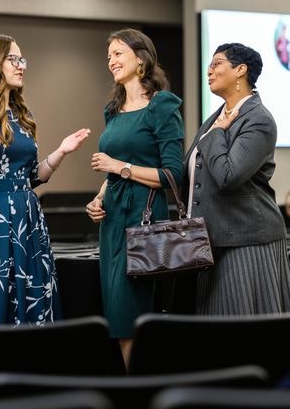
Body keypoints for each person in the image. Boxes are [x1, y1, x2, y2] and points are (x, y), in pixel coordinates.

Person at [0, 34, 91, 327]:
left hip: (26, 219)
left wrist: (61, 151)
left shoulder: (22, 115)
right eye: (14, 59)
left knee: (29, 299)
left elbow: (33, 176)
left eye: (22, 59)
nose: (22, 66)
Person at [84, 28, 184, 360]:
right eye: (109, 54)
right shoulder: (112, 110)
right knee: (115, 313)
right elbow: (110, 171)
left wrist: (120, 167)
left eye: (118, 53)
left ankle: (138, 391)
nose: (110, 60)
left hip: (144, 221)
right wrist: (99, 198)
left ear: (141, 59)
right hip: (112, 220)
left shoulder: (162, 106)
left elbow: (172, 174)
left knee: (131, 314)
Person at [186, 43, 290, 314]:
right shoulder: (215, 117)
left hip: (246, 241)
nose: (209, 71)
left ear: (240, 71)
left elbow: (228, 175)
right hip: (208, 242)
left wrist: (219, 134)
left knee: (241, 332)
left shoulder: (259, 119)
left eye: (217, 63)